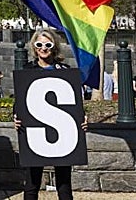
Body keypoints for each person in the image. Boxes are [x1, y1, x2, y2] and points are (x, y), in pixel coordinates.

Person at [13, 28, 88, 200]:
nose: (43, 48)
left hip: (62, 132)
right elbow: (19, 101)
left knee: (64, 183)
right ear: (34, 47)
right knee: (32, 182)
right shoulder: (27, 70)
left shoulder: (65, 70)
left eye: (48, 44)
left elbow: (75, 102)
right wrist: (16, 117)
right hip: (35, 132)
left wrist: (81, 119)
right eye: (39, 44)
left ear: (54, 46)